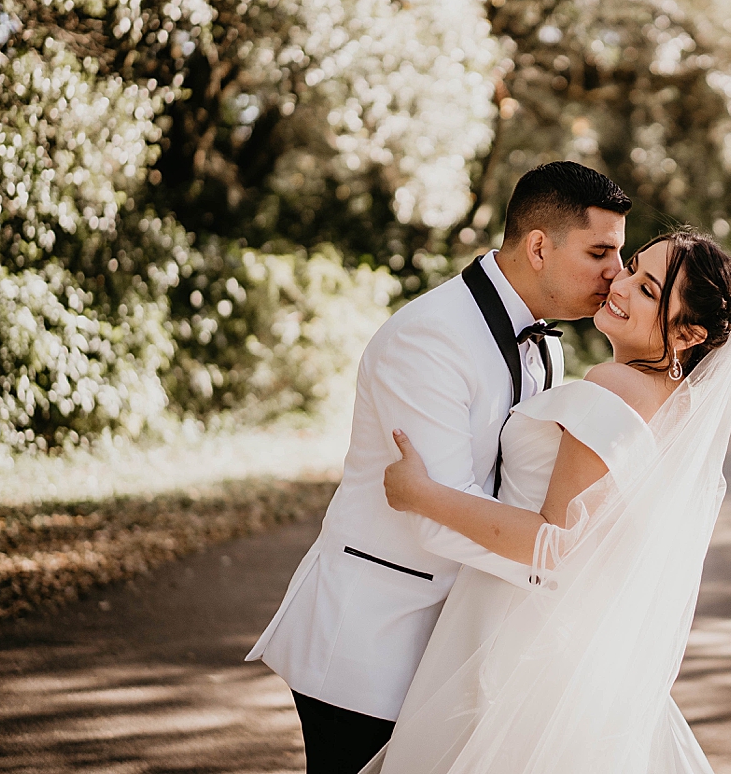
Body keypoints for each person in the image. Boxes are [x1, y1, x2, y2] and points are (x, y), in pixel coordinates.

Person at [245, 162, 632, 774]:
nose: (617, 272)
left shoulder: (546, 344)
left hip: (456, 644)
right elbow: (437, 515)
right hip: (373, 643)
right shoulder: (429, 337)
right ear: (538, 246)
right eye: (600, 252)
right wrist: (554, 560)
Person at [369, 230, 731, 774]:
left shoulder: (616, 385)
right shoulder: (677, 407)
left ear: (688, 332)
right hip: (573, 634)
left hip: (517, 628)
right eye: (631, 267)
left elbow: (554, 543)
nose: (618, 283)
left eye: (647, 289)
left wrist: (423, 495)